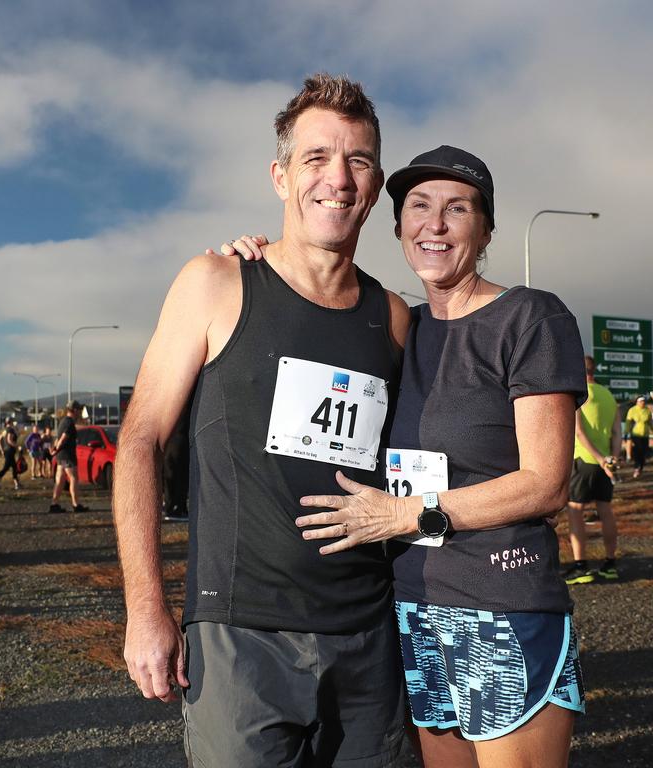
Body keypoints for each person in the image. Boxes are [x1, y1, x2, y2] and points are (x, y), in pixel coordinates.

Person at [223, 141, 588, 764]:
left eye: (458, 208)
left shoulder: (529, 317)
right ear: (397, 228)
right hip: (415, 608)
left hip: (500, 605)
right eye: (418, 206)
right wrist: (259, 263)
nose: (435, 224)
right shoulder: (402, 328)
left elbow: (547, 482)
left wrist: (406, 515)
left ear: (487, 227)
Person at [116, 75, 411, 766]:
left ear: (375, 184)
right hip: (241, 642)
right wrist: (146, 609)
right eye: (316, 158)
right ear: (280, 177)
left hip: (368, 641)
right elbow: (140, 440)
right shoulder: (216, 283)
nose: (337, 178)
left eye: (358, 161)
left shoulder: (393, 318)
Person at [564, 357, 621, 584]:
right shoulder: (608, 395)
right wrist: (611, 460)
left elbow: (578, 431)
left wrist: (597, 458)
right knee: (605, 510)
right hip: (604, 464)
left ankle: (581, 567)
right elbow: (617, 432)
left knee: (575, 511)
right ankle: (610, 563)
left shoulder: (579, 392)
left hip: (584, 460)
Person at [49, 403, 87, 514]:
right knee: (74, 478)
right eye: (79, 410)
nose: (80, 412)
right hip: (67, 455)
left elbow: (58, 438)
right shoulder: (69, 423)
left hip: (60, 456)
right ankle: (76, 505)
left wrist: (55, 450)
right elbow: (63, 438)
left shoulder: (63, 421)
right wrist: (56, 448)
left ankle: (54, 504)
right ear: (74, 410)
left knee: (60, 480)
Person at [624, 395, 652, 478]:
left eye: (643, 401)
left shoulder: (647, 410)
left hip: (645, 434)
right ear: (637, 402)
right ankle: (636, 467)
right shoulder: (632, 410)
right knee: (637, 451)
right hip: (636, 434)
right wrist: (626, 432)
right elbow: (628, 422)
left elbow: (650, 422)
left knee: (643, 452)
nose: (642, 403)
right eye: (641, 401)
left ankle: (641, 468)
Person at [0, 419, 21, 490]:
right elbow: (9, 440)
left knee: (14, 467)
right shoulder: (10, 430)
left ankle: (17, 483)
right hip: (10, 450)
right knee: (6, 467)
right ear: (11, 422)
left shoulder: (5, 430)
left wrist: (1, 450)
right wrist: (17, 446)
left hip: (6, 451)